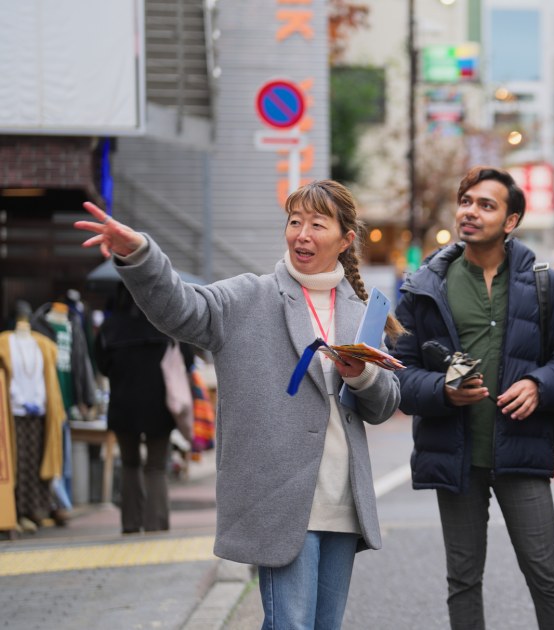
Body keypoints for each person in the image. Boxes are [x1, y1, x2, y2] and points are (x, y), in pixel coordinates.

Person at [73, 180, 404, 629]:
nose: (302, 234)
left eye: (317, 225)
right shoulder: (250, 296)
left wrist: (361, 374)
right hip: (280, 498)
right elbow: (181, 308)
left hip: (343, 499)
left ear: (345, 240)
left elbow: (384, 405)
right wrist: (141, 256)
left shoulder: (362, 311)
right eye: (294, 222)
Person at [392, 166, 554, 630]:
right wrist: (441, 391)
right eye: (466, 201)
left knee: (545, 575)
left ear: (511, 220)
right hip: (454, 455)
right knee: (462, 579)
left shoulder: (547, 286)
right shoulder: (424, 287)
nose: (471, 212)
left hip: (521, 449)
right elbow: (399, 373)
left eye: (486, 205)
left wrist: (540, 384)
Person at [95, 283, 189, 534]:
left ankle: (130, 523)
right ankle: (156, 524)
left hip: (123, 406)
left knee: (129, 464)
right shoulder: (166, 323)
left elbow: (102, 365)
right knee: (157, 466)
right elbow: (187, 359)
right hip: (160, 407)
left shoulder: (109, 328)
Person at [0, 301, 65, 534]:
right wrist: (19, 399)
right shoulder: (4, 344)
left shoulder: (43, 345)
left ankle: (34, 510)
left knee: (37, 459)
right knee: (17, 462)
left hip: (38, 410)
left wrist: (39, 401)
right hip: (13, 412)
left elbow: (45, 378)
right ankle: (15, 510)